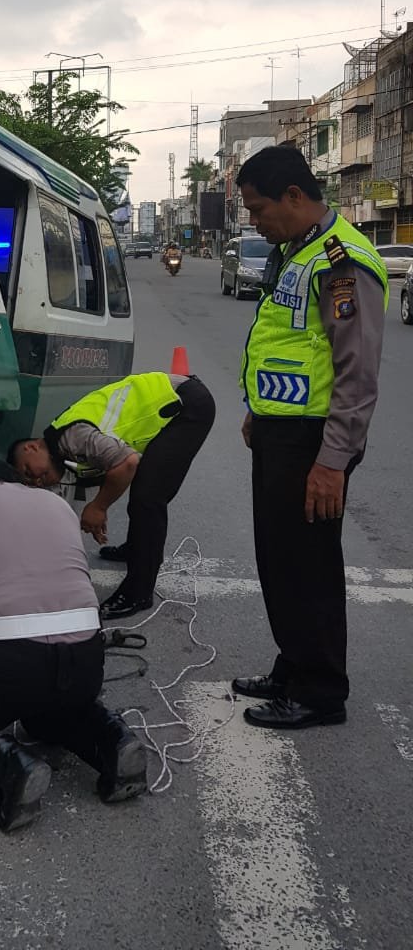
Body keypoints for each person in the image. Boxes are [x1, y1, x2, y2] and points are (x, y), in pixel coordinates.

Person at [233, 145, 388, 730]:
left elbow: (357, 371)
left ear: (294, 197)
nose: (254, 220)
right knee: (278, 557)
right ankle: (292, 666)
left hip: (316, 443)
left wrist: (332, 461)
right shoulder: (296, 252)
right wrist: (259, 410)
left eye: (258, 208)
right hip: (281, 431)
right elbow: (288, 344)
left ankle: (321, 690)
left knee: (310, 566)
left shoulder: (341, 261)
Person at [0, 460, 147, 833]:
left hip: (11, 661)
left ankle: (11, 769)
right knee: (46, 714)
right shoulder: (56, 504)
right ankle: (113, 742)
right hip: (87, 655)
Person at [9, 371, 215, 619]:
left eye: (29, 471)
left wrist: (99, 507)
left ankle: (138, 592)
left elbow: (126, 464)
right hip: (174, 402)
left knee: (148, 498)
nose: (36, 480)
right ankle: (137, 548)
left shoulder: (72, 437)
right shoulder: (61, 451)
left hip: (186, 405)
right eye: (30, 482)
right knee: (143, 486)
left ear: (32, 447)